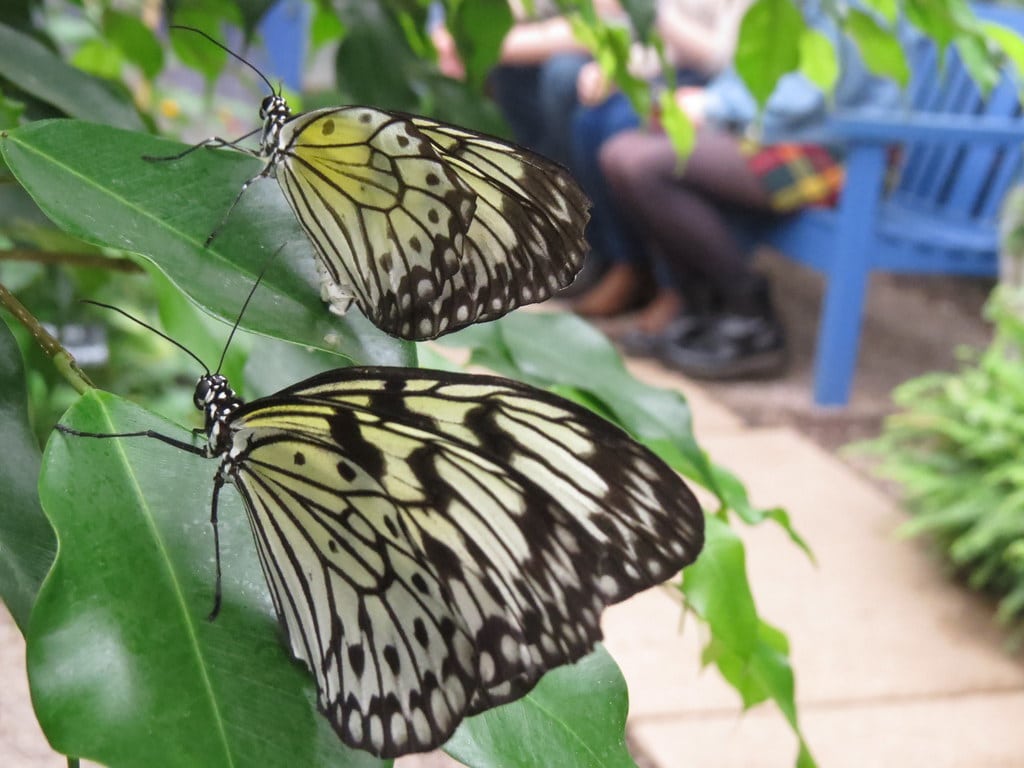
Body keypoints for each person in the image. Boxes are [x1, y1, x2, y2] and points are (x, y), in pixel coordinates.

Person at [599, 4, 903, 379]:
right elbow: (757, 65)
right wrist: (713, 101)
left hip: (841, 152)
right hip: (779, 131)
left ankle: (753, 319)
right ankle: (701, 309)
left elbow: (817, 91)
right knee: (621, 153)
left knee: (642, 164)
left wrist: (716, 105)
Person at [567, 0, 750, 324]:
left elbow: (723, 57)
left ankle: (674, 286)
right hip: (675, 69)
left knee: (628, 125)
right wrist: (618, 66)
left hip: (719, 84)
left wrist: (648, 13)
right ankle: (627, 261)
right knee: (589, 120)